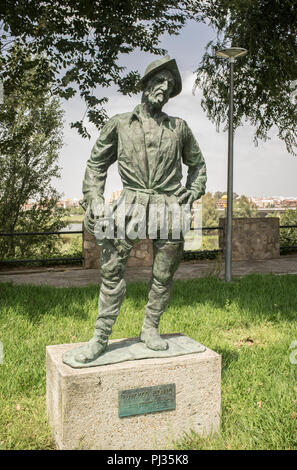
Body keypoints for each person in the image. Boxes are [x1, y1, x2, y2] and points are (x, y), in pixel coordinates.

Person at [74, 56, 206, 364]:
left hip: (169, 205)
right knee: (111, 269)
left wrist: (193, 190)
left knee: (163, 273)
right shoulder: (120, 124)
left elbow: (198, 166)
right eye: (159, 81)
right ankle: (100, 337)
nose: (164, 88)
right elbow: (96, 164)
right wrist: (94, 196)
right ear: (145, 85)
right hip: (130, 203)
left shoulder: (179, 128)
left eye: (170, 85)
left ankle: (150, 328)